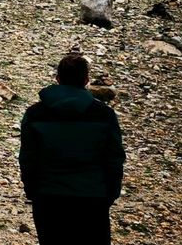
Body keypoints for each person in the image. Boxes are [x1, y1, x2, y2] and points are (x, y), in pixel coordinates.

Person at [19, 54, 125, 245]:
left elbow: (28, 159)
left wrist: (33, 191)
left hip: (48, 198)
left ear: (58, 78)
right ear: (86, 80)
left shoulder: (35, 114)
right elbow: (114, 159)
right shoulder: (104, 115)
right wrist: (110, 193)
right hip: (93, 198)